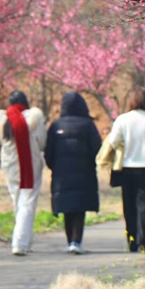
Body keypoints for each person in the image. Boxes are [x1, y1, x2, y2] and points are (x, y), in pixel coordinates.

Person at [101, 87, 145, 253]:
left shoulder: (122, 120)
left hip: (127, 169)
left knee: (129, 206)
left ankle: (132, 240)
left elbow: (113, 141)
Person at [45, 92, 102, 254]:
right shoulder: (88, 125)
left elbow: (48, 152)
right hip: (84, 173)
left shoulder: (56, 125)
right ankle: (76, 241)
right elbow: (97, 148)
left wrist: (54, 167)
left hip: (61, 175)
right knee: (79, 208)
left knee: (66, 207)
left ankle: (70, 240)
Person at [0, 91, 47, 256]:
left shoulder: (2, 119)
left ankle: (26, 240)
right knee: (27, 202)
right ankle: (20, 243)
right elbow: (42, 141)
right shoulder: (34, 117)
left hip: (9, 164)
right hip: (30, 163)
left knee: (17, 200)